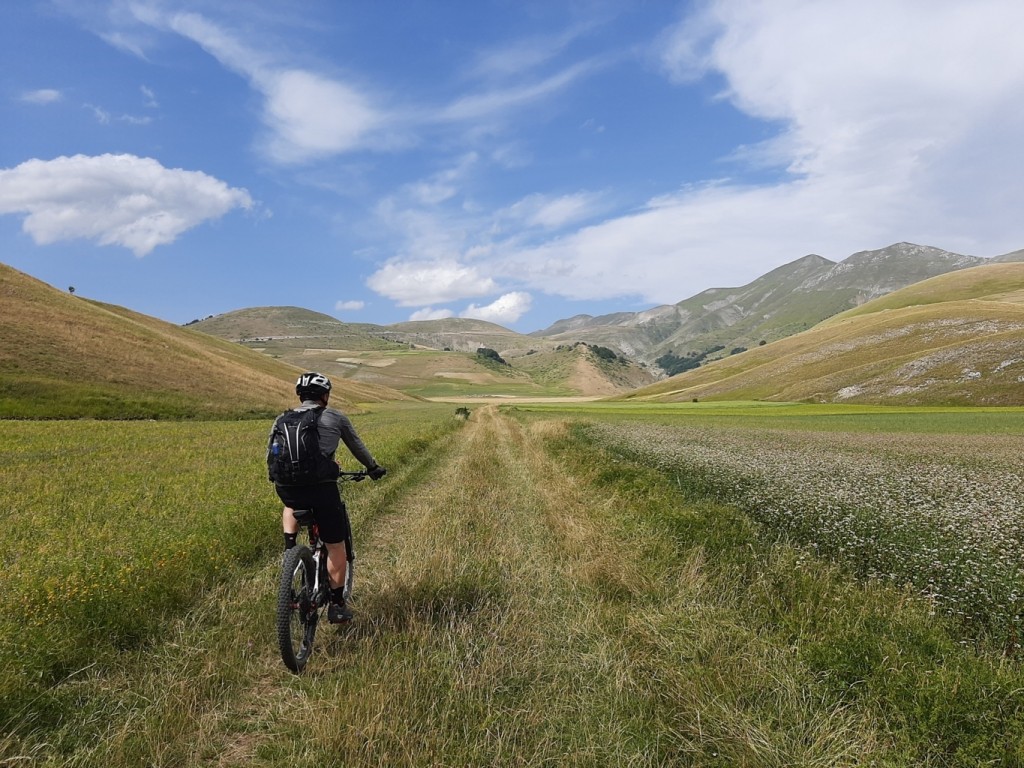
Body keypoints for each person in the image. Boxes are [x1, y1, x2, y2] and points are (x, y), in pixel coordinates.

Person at [271, 372, 386, 623]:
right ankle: (337, 604)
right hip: (322, 487)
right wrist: (373, 468)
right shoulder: (334, 417)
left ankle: (290, 549)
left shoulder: (282, 418)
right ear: (325, 395)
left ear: (300, 396)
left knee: (291, 503)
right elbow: (357, 446)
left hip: (286, 485)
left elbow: (273, 454)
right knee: (336, 546)